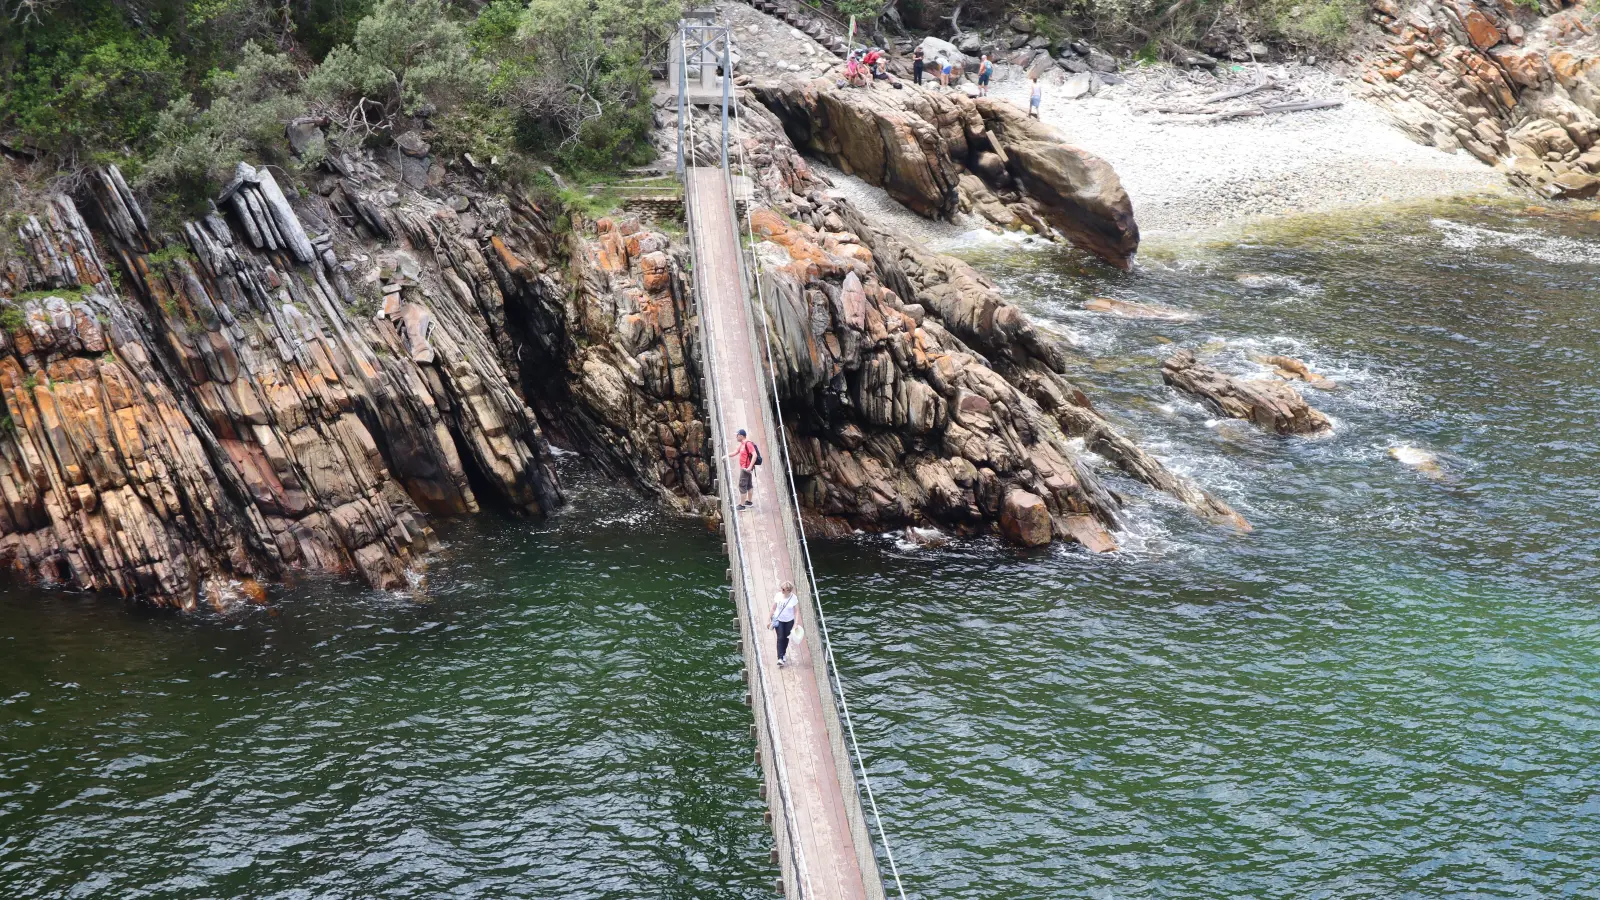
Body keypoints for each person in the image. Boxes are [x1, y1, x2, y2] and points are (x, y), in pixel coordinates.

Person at [727, 428, 759, 509]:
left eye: (737, 435)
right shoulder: (742, 444)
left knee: (742, 485)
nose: (736, 437)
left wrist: (749, 467)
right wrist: (726, 455)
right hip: (746, 468)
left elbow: (754, 455)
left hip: (746, 469)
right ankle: (749, 502)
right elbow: (735, 452)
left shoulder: (748, 444)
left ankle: (742, 505)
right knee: (749, 485)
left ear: (741, 436)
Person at [770, 580, 799, 667]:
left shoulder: (794, 598)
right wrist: (769, 619)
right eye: (781, 588)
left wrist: (796, 623)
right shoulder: (778, 596)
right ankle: (780, 658)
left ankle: (783, 653)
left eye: (783, 589)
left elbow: (796, 611)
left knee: (786, 638)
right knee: (780, 637)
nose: (781, 590)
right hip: (779, 620)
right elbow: (773, 608)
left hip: (789, 621)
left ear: (788, 590)